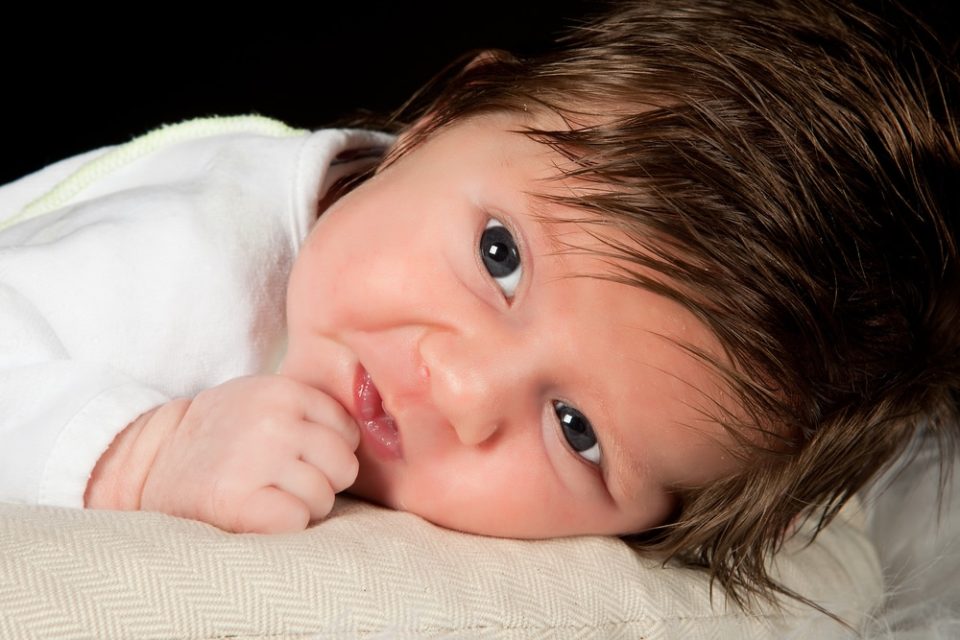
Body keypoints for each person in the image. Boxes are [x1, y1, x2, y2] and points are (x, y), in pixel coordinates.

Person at [1, 0, 957, 612]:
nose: (460, 390)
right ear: (442, 117)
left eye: (577, 430)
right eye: (499, 257)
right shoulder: (195, 254)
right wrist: (137, 456)